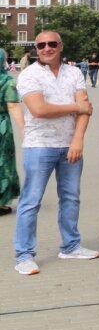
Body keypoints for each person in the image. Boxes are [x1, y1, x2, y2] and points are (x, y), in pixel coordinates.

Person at [14, 31, 98, 276]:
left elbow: (86, 110)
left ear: (61, 46)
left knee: (71, 198)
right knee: (31, 201)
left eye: (52, 44)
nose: (46, 48)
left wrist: (78, 140)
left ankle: (71, 246)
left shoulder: (74, 72)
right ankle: (24, 255)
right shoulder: (29, 75)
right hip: (39, 145)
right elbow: (39, 109)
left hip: (70, 144)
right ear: (36, 48)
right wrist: (76, 106)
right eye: (41, 45)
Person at [0, 49, 24, 217]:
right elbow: (13, 106)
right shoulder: (7, 82)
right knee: (3, 162)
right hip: (2, 126)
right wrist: (25, 130)